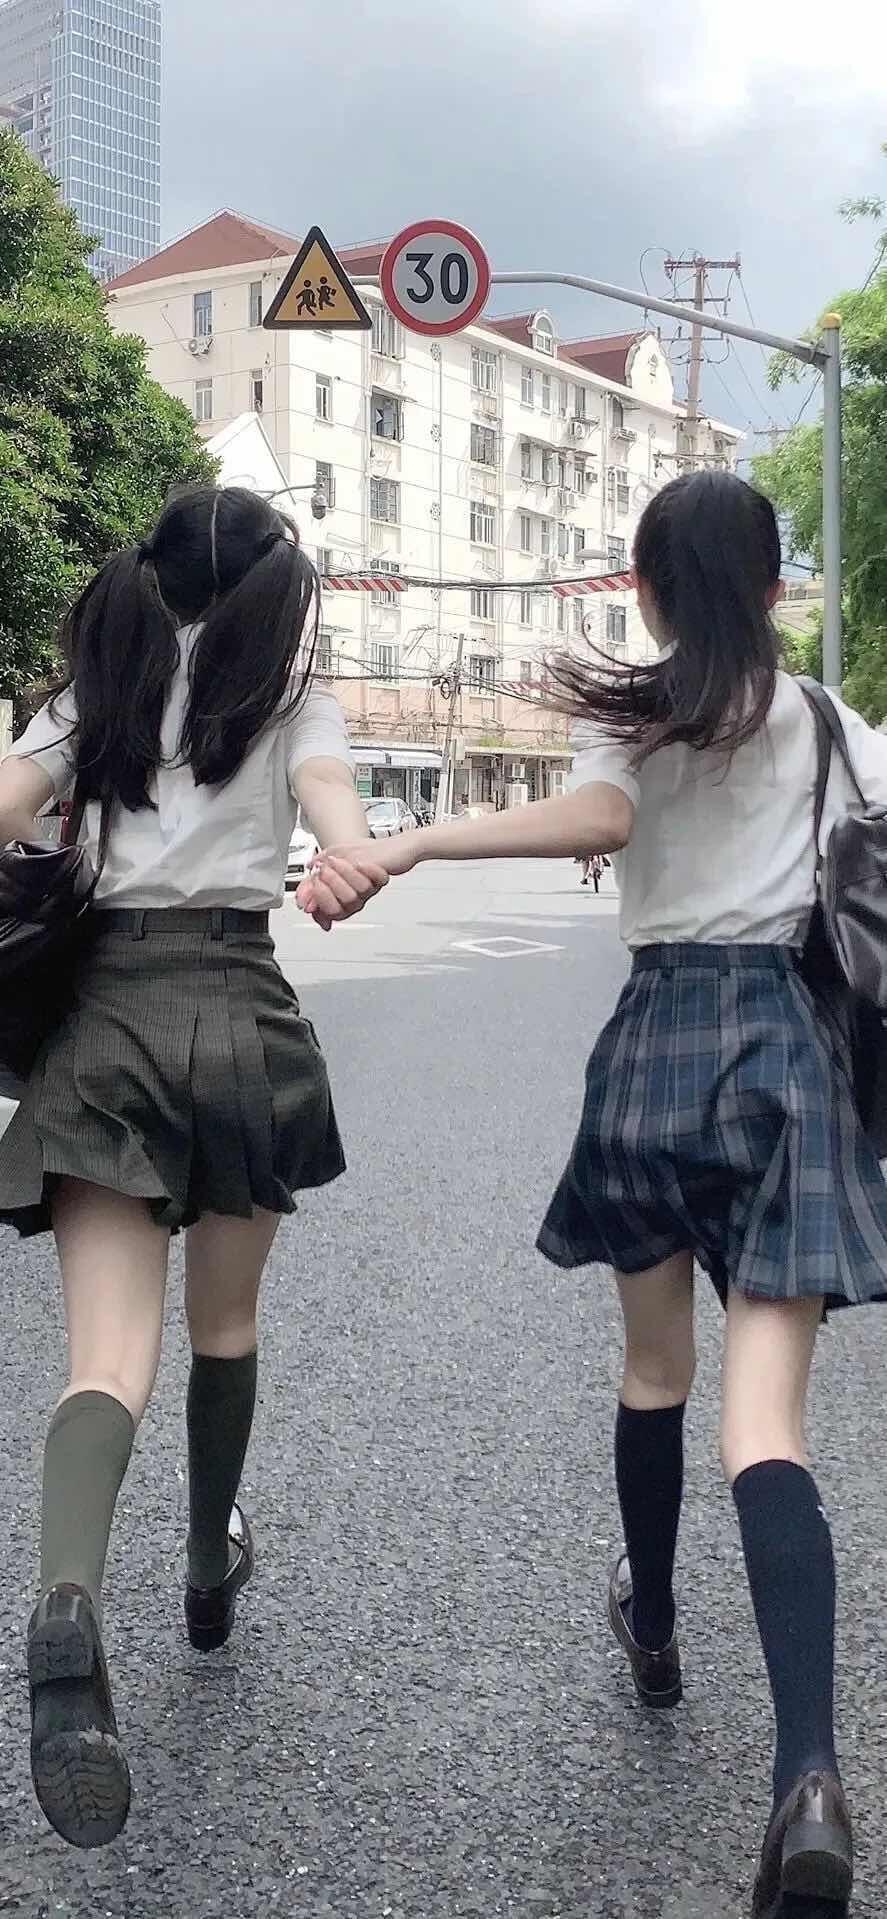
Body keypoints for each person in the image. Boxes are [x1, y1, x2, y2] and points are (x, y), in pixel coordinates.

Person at [300, 470, 887, 1917]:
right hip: (789, 1057)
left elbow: (604, 822)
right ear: (775, 589)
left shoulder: (629, 712)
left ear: (646, 592)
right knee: (768, 1423)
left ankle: (657, 1625)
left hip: (657, 1043)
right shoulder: (832, 724)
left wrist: (407, 840)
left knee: (652, 1369)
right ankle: (809, 1774)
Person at [0, 486, 387, 1851]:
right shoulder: (286, 698)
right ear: (276, 591)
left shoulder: (97, 690)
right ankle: (210, 1563)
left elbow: (6, 808)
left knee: (106, 1357)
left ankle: (68, 1595)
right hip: (235, 1013)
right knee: (224, 1325)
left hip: (102, 1022)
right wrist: (346, 861)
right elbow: (338, 816)